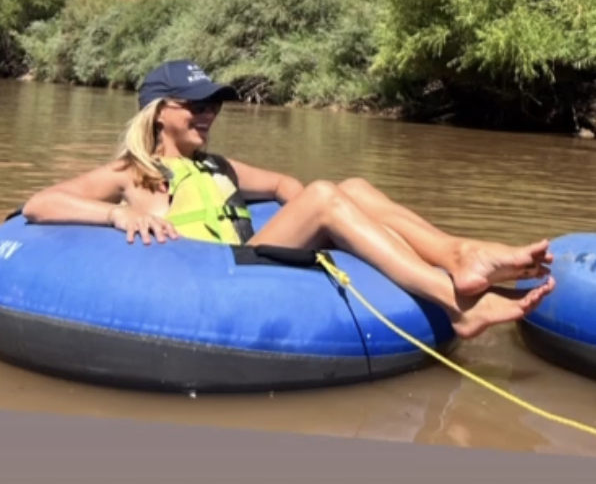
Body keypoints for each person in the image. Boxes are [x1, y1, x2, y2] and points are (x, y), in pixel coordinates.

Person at [23, 60, 555, 341]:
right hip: (213, 276)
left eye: (215, 105)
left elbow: (283, 187)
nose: (209, 114)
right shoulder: (132, 173)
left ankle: (458, 254)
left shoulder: (220, 166)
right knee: (326, 197)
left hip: (251, 260)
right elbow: (40, 204)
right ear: (161, 111)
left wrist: (321, 221)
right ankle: (453, 301)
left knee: (351, 188)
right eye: (197, 105)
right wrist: (116, 214)